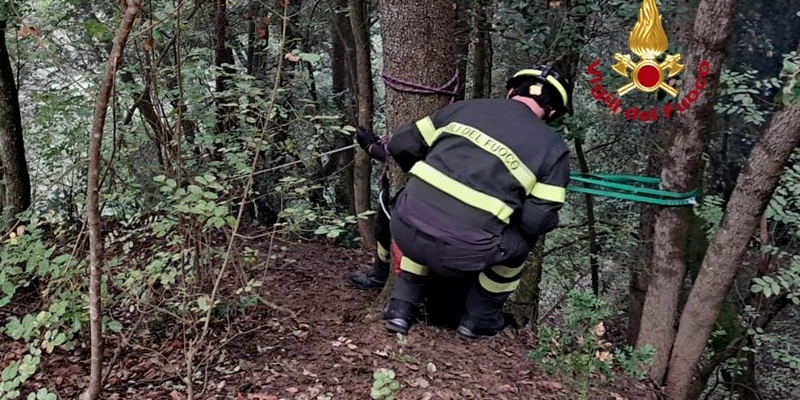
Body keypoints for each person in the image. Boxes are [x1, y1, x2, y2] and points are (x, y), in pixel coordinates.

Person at [380, 65, 573, 340]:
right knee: (523, 240)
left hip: (402, 228)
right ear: (552, 113)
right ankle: (479, 320)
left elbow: (400, 144)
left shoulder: (465, 108)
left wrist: (427, 172)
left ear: (510, 91)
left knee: (422, 206)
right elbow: (536, 221)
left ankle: (400, 309)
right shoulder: (553, 149)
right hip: (463, 254)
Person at [347, 126, 394, 291]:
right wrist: (378, 144)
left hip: (408, 192)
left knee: (385, 231)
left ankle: (381, 276)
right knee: (383, 230)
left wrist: (371, 147)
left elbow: (407, 155)